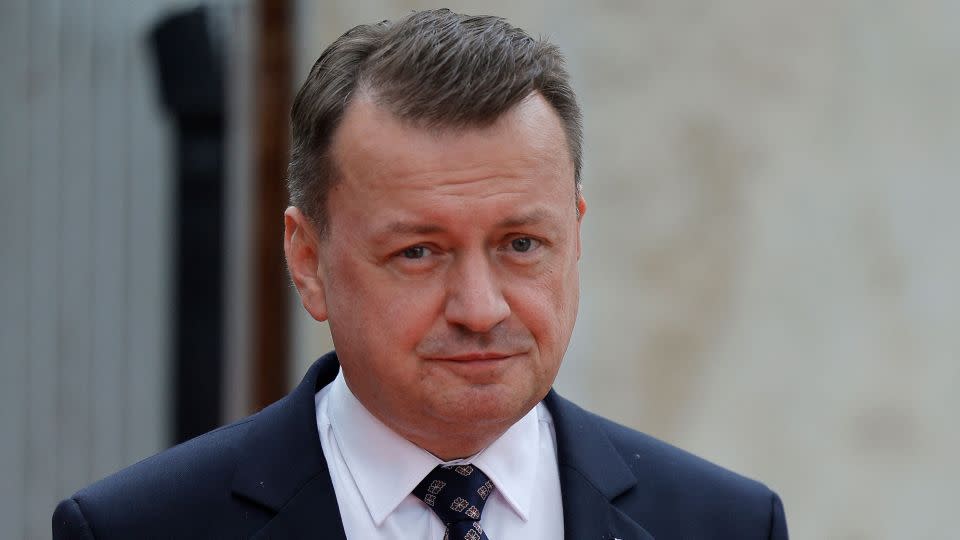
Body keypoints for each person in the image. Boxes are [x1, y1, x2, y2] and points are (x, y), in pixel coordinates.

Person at [53, 9, 788, 539]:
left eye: (522, 244)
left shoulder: (726, 523)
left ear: (577, 236)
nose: (479, 307)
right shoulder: (138, 528)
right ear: (307, 262)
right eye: (419, 252)